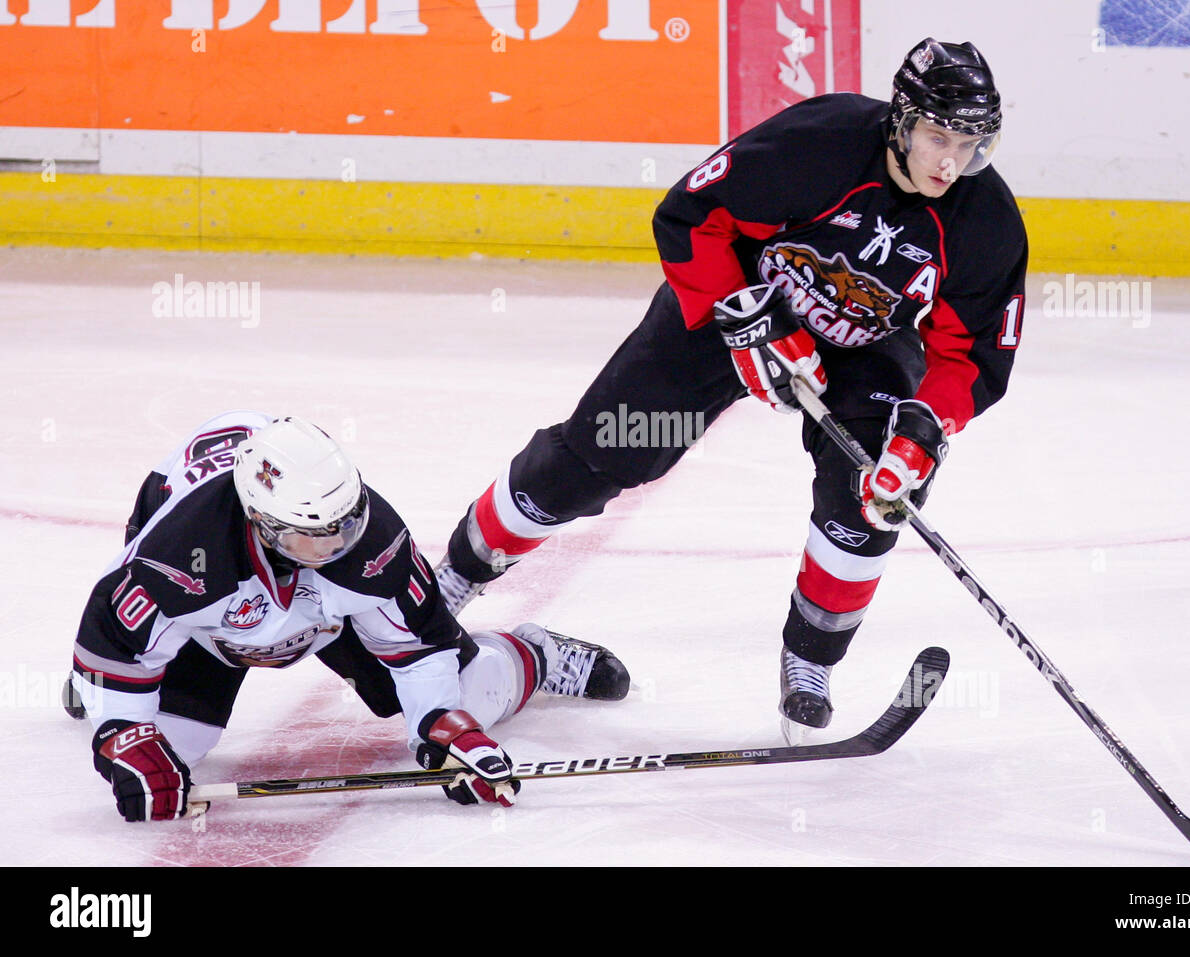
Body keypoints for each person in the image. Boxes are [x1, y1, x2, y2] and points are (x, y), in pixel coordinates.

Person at [431, 38, 1028, 743]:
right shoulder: (822, 143)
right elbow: (688, 215)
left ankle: (809, 663)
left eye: (970, 144)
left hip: (865, 344)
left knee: (872, 493)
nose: (950, 162)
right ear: (900, 119)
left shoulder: (985, 221)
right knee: (603, 450)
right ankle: (457, 573)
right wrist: (752, 321)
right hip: (735, 304)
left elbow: (972, 353)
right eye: (937, 136)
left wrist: (924, 428)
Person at [63, 411, 630, 822]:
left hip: (326, 618)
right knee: (167, 751)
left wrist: (443, 722)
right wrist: (122, 726)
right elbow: (113, 641)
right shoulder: (182, 555)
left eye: (346, 524)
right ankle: (101, 695)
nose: (339, 546)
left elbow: (420, 647)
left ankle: (530, 653)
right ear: (261, 522)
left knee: (467, 693)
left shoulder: (370, 535)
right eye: (315, 537)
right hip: (208, 631)